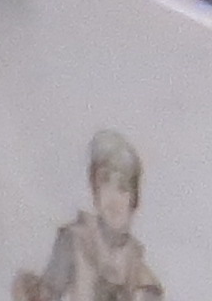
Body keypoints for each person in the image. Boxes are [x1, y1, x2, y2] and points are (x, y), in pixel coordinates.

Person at [10, 128, 161, 301]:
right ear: (95, 192)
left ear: (133, 199)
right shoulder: (75, 240)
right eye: (105, 185)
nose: (113, 200)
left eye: (122, 189)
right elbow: (47, 294)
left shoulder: (139, 270)